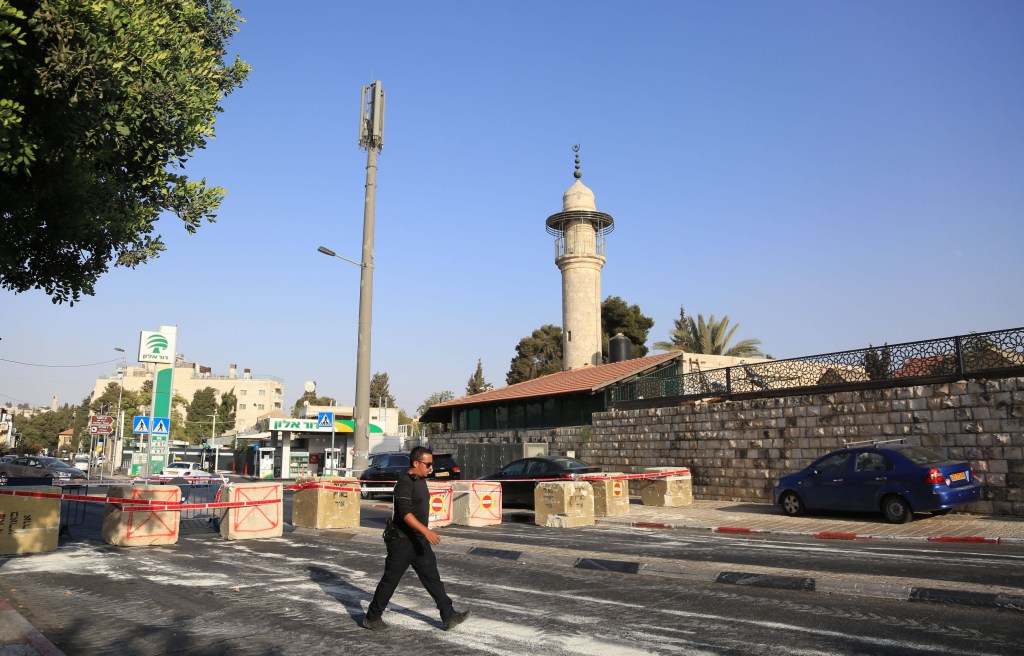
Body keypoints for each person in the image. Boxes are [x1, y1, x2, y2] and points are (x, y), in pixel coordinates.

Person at [363, 446, 470, 631]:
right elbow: (405, 514)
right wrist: (427, 531)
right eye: (428, 464)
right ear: (416, 463)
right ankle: (372, 618)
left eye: (432, 464)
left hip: (418, 541)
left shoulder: (420, 480)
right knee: (390, 581)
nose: (431, 468)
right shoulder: (405, 483)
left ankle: (449, 615)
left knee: (432, 578)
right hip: (402, 541)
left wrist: (424, 534)